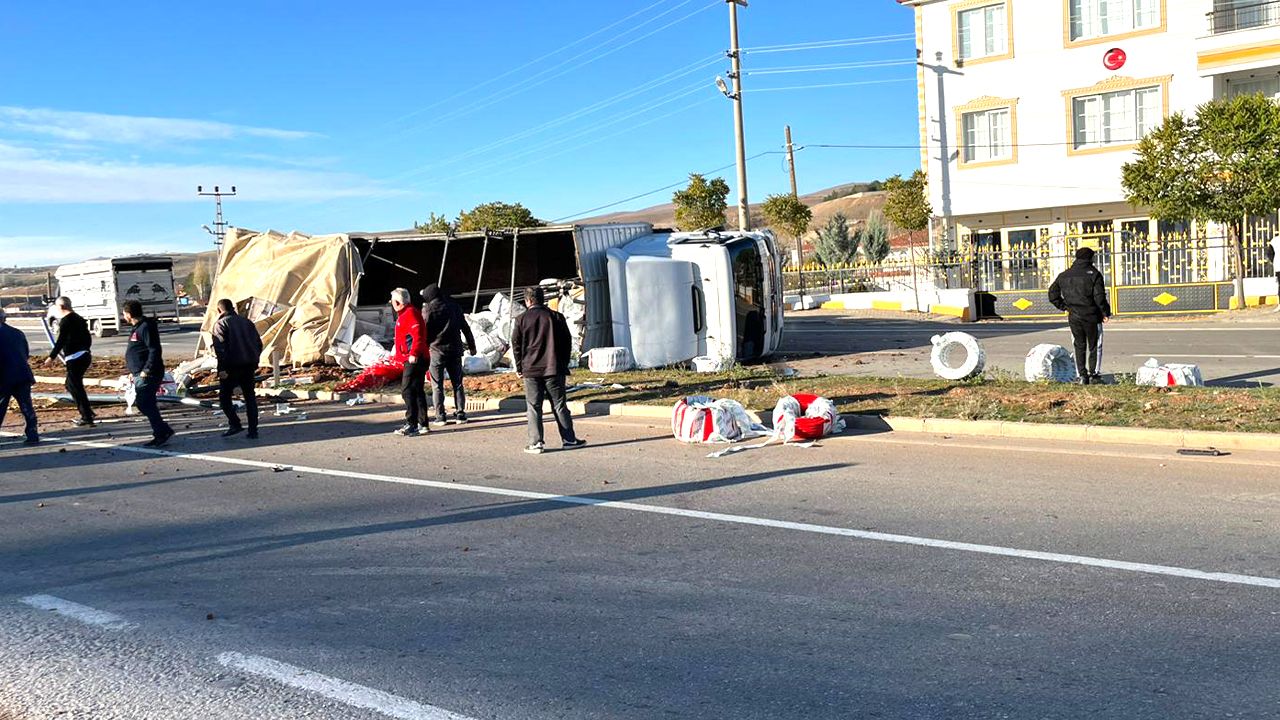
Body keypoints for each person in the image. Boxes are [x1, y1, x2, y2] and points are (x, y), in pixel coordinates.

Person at [511, 286, 585, 454]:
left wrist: (519, 366)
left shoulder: (521, 319)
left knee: (533, 406)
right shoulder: (556, 317)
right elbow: (567, 343)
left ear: (528, 300)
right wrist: (563, 364)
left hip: (531, 369)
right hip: (554, 368)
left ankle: (536, 442)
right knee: (559, 405)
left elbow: (516, 345)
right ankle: (569, 439)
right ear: (542, 299)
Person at [1048, 247, 1112, 385]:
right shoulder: (1094, 274)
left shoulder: (1064, 275)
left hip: (1074, 316)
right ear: (1090, 258)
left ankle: (1082, 376)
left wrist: (1065, 307)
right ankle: (1094, 375)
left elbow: (1052, 294)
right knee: (1095, 345)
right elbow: (1099, 297)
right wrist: (1105, 312)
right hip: (1092, 316)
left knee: (1078, 345)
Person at [421, 283, 477, 424]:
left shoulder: (428, 310)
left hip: (436, 351)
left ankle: (440, 416)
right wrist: (472, 346)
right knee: (457, 383)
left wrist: (423, 349)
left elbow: (424, 332)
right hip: (455, 349)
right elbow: (465, 328)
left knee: (437, 385)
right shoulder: (454, 307)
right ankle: (461, 413)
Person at [122, 299, 174, 447]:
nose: (124, 316)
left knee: (144, 403)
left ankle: (162, 432)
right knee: (146, 403)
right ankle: (163, 431)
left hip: (148, 373)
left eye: (124, 313)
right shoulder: (138, 327)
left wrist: (147, 369)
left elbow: (154, 349)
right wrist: (133, 370)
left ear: (129, 314)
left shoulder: (145, 327)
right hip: (139, 373)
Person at [211, 299, 264, 439]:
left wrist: (221, 369)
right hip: (249, 365)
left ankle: (235, 423)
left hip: (231, 367)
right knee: (250, 397)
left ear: (219, 310)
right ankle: (253, 430)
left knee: (224, 399)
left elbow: (220, 349)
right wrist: (254, 359)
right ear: (233, 308)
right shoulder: (247, 322)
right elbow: (259, 344)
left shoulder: (220, 324)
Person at [43, 296, 94, 427]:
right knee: (72, 385)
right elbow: (88, 338)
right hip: (83, 355)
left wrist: (51, 357)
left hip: (75, 357)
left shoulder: (66, 321)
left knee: (74, 386)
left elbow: (60, 341)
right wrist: (86, 349)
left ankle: (87, 416)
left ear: (61, 307)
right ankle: (88, 412)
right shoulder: (79, 318)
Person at [390, 288, 430, 436]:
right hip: (414, 357)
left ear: (397, 302)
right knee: (417, 390)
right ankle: (422, 423)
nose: (391, 304)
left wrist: (413, 354)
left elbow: (417, 335)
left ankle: (411, 423)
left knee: (407, 390)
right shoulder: (405, 314)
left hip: (415, 358)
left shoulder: (410, 314)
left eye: (392, 301)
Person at [0, 308, 39, 445]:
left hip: (3, 377)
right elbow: (25, 353)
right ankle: (32, 433)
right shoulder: (18, 333)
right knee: (26, 406)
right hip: (22, 374)